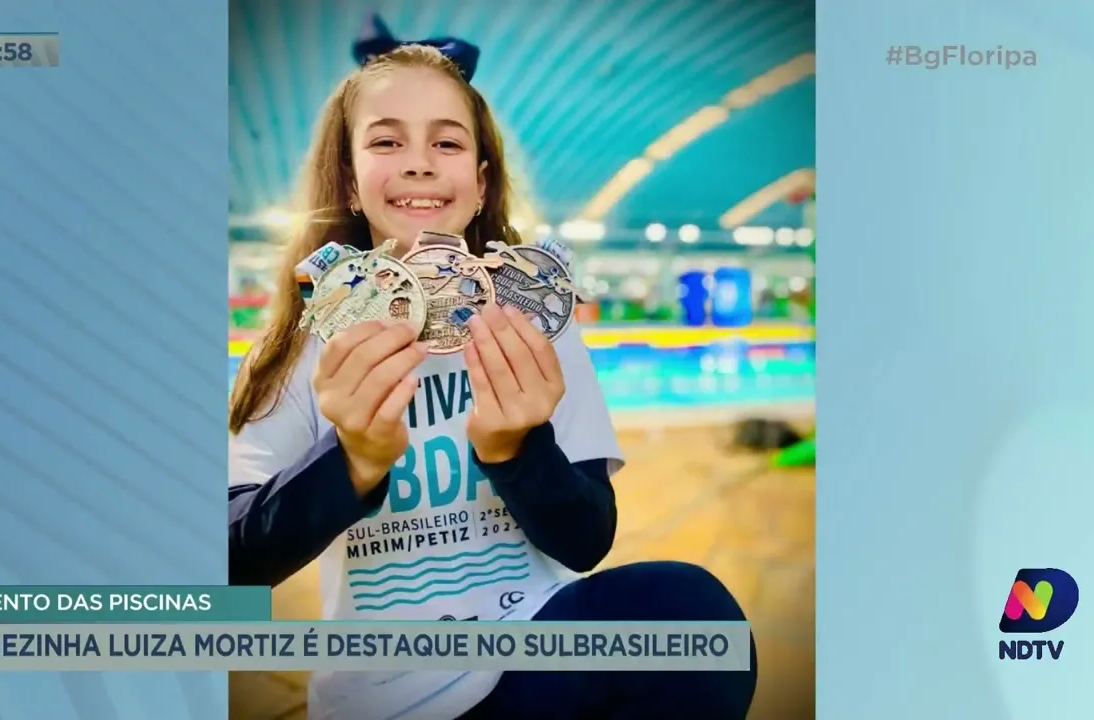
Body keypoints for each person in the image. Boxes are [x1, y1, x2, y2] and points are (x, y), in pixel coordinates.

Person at [227, 36, 758, 720]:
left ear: (480, 184)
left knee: (692, 614)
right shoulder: (303, 348)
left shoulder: (537, 325)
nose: (419, 164)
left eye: (446, 144)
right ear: (351, 183)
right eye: (387, 143)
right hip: (386, 699)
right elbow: (232, 568)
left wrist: (517, 448)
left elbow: (586, 540)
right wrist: (352, 460)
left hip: (538, 661)